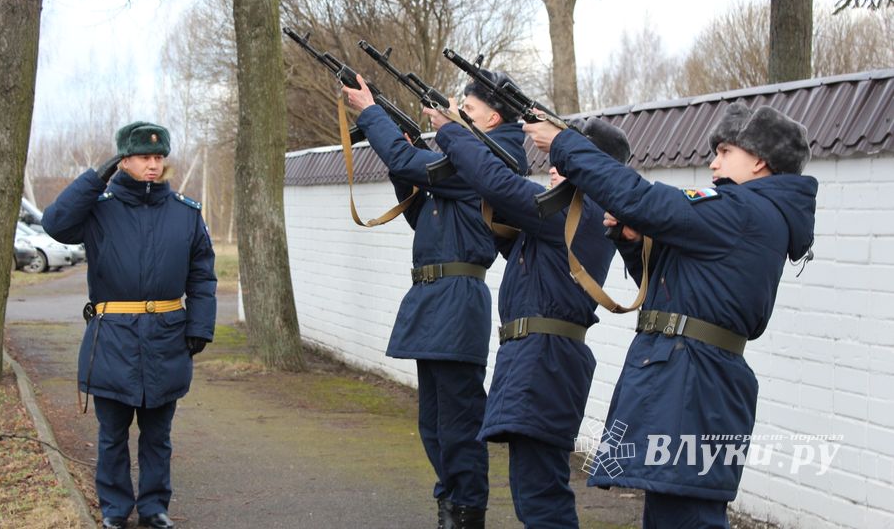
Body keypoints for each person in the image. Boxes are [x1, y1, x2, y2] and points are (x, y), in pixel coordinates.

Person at [523, 103, 817, 528]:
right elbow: (673, 283)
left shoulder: (744, 210)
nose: (713, 162)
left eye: (725, 151)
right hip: (689, 378)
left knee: (687, 516)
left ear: (759, 160)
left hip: (693, 383)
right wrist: (632, 238)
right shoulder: (748, 213)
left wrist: (564, 144)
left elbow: (642, 198)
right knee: (672, 513)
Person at [342, 72, 528, 529]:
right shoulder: (469, 158)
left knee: (459, 421)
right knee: (433, 421)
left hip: (455, 300)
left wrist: (371, 113)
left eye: (469, 105)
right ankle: (451, 502)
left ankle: (466, 512)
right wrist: (399, 168)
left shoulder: (487, 159)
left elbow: (409, 159)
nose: (460, 109)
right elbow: (425, 217)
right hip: (434, 297)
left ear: (494, 115)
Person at [430, 111, 629, 529]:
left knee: (541, 495)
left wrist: (450, 132)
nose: (555, 166)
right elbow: (502, 211)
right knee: (533, 489)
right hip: (535, 359)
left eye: (569, 156)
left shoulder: (582, 208)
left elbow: (499, 185)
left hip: (545, 362)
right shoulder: (567, 212)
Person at [42, 122, 217, 529]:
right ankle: (115, 510)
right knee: (112, 435)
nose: (153, 165)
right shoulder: (98, 209)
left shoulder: (185, 214)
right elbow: (55, 223)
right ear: (124, 161)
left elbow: (202, 274)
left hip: (167, 337)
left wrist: (200, 325)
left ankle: (154, 508)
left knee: (158, 435)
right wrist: (93, 177)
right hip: (112, 337)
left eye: (158, 157)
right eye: (143, 157)